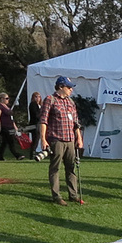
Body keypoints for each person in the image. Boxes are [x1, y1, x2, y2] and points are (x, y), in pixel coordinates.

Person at [40, 76, 84, 205]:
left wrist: (79, 138)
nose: (71, 89)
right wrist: (43, 139)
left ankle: (73, 194)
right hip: (56, 139)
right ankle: (56, 196)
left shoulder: (71, 102)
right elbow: (43, 121)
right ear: (60, 87)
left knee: (71, 168)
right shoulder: (50, 100)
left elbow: (76, 123)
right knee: (55, 168)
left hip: (70, 140)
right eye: (69, 87)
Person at [0, 93, 24, 161]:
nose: (8, 100)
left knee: (4, 143)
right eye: (7, 98)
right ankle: (17, 155)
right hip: (4, 127)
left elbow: (11, 118)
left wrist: (15, 127)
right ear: (2, 99)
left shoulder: (7, 107)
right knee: (10, 141)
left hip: (10, 126)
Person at [27, 91, 45, 159]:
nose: (38, 98)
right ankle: (32, 154)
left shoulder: (40, 105)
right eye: (36, 97)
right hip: (35, 124)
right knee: (35, 139)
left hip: (39, 124)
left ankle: (33, 153)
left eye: (39, 97)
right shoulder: (33, 104)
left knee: (37, 139)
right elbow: (36, 115)